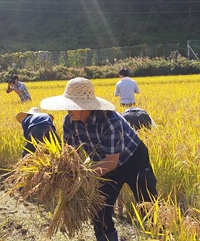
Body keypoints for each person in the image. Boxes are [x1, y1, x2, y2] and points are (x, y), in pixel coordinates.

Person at [41, 77, 158, 241]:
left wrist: (81, 178)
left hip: (133, 160)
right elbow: (71, 154)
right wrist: (64, 172)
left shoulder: (110, 120)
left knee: (149, 207)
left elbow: (111, 161)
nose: (68, 109)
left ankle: (160, 235)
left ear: (86, 106)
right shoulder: (69, 121)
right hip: (103, 163)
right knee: (99, 212)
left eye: (73, 105)